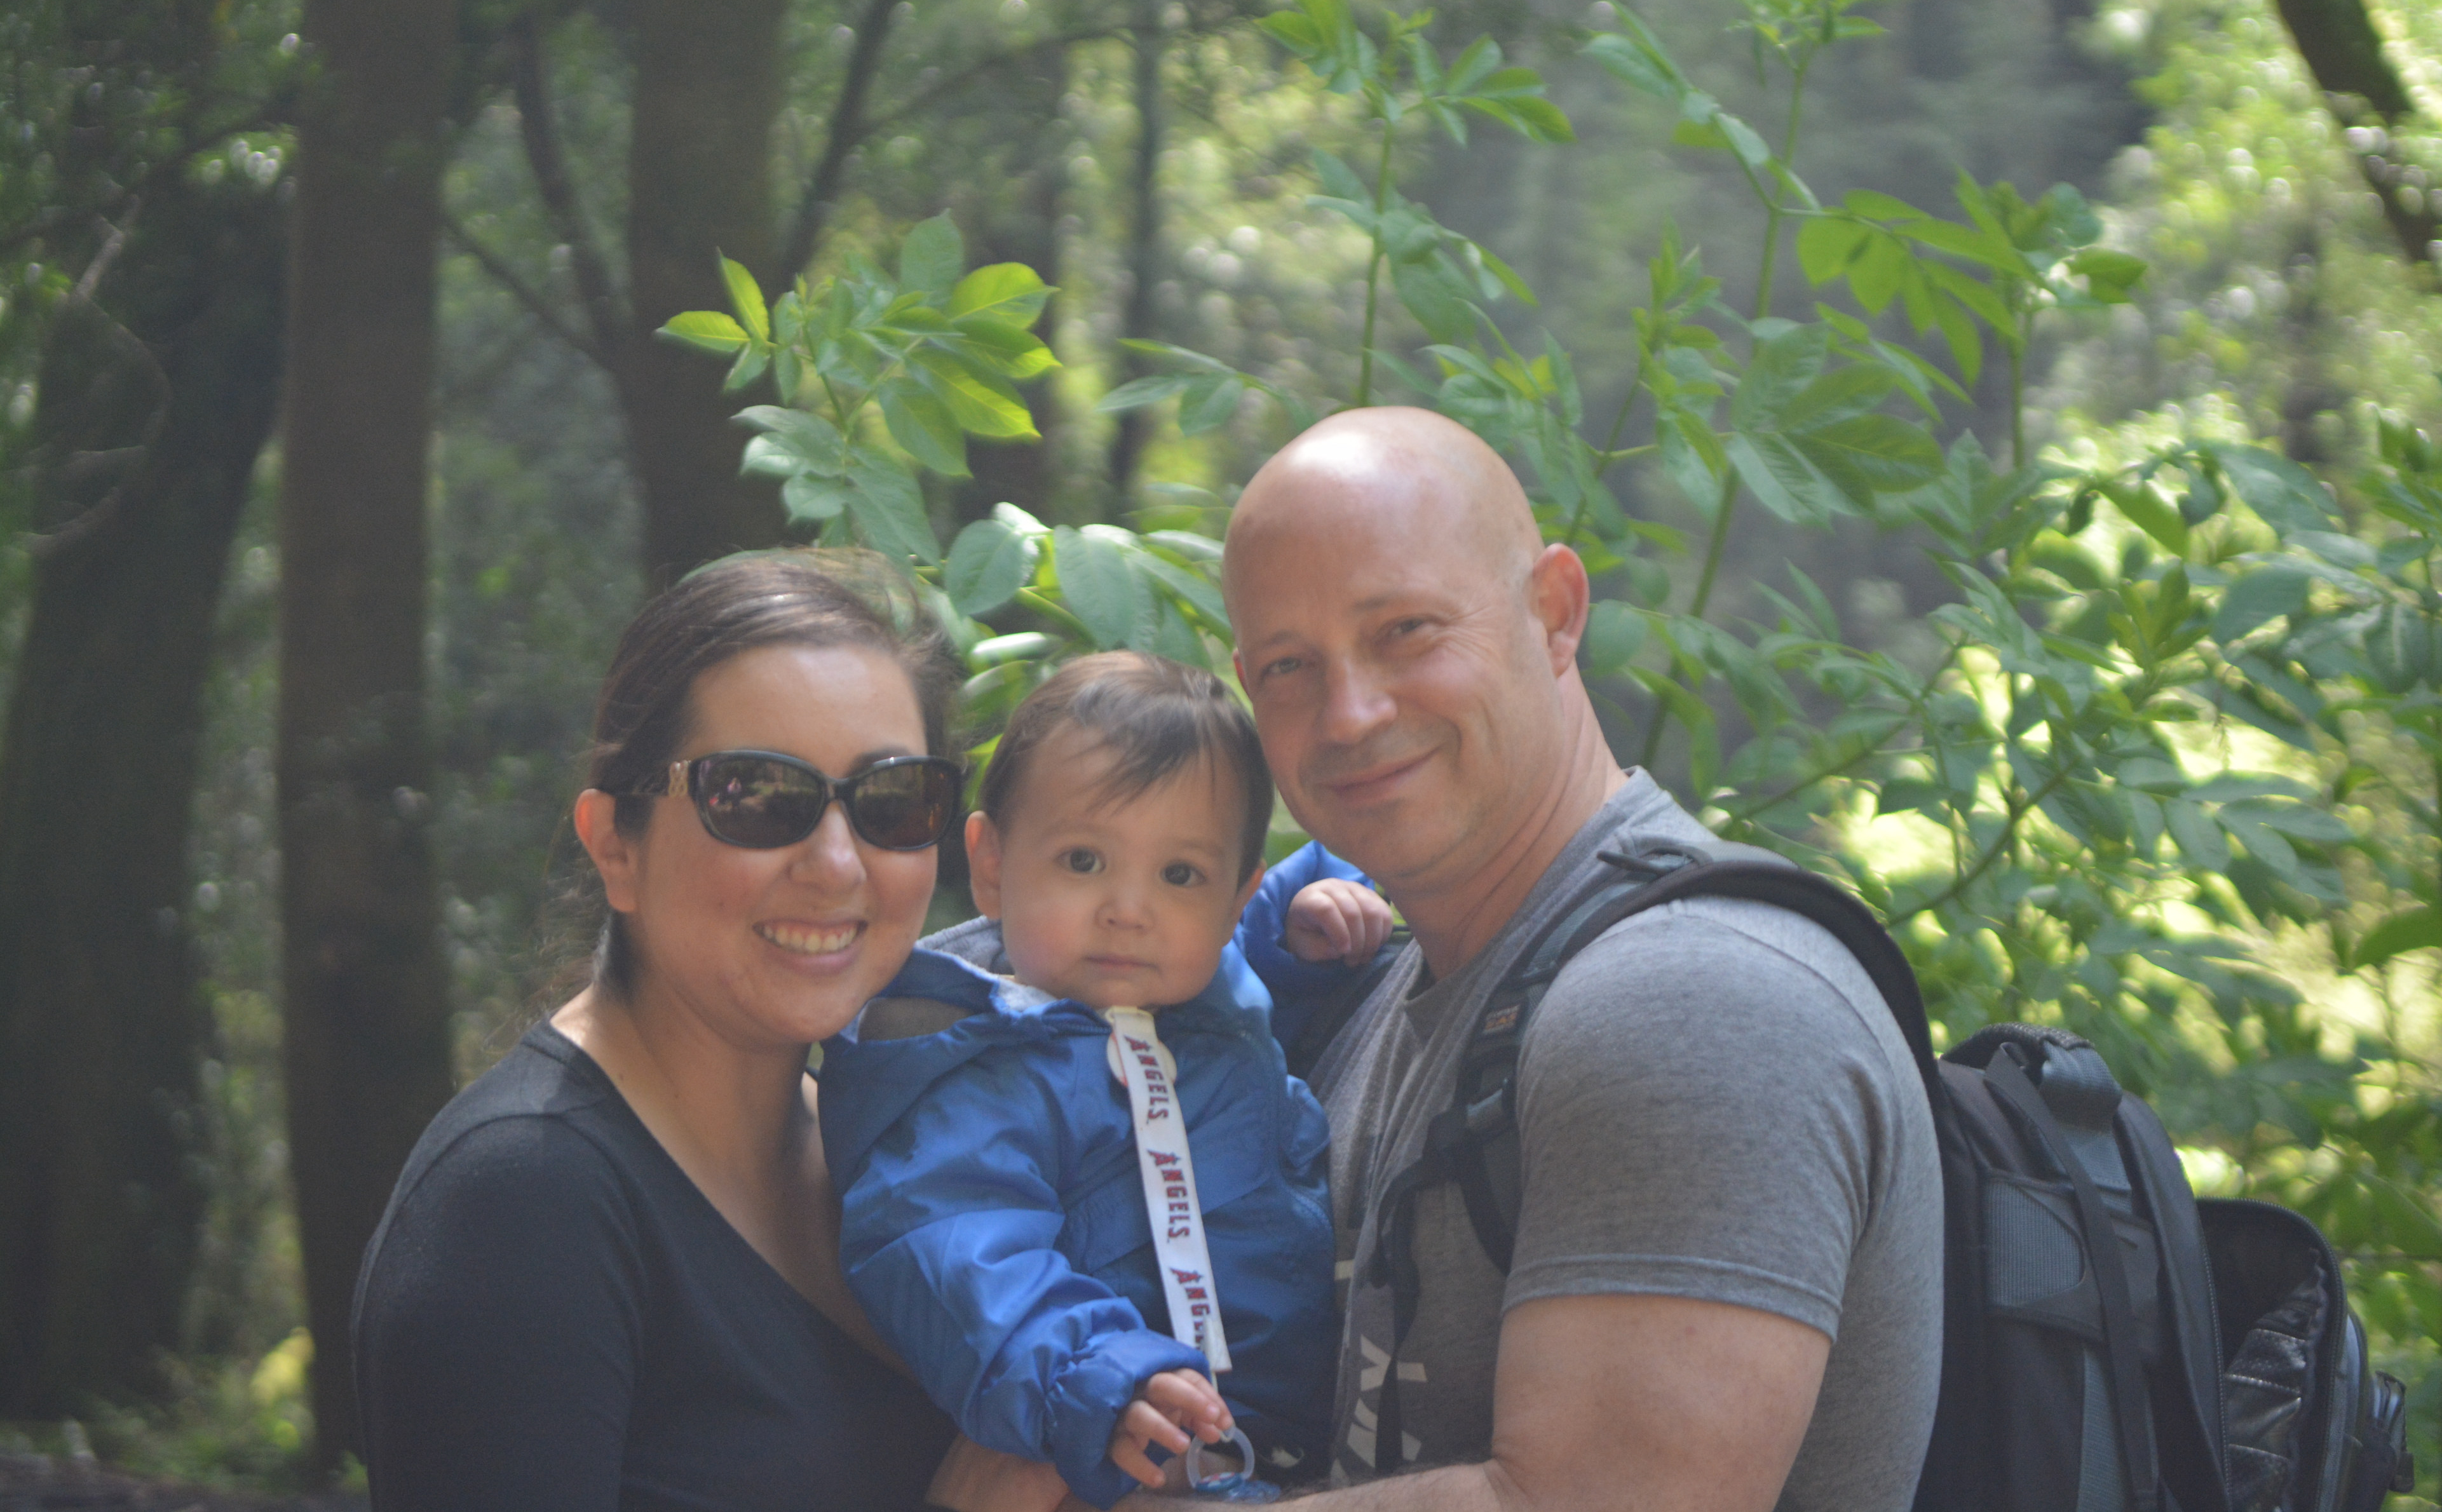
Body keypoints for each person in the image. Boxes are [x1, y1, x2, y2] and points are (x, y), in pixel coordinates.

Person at [1191, 406, 1947, 1512]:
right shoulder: (1384, 992)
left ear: (1554, 612)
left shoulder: (1692, 1002)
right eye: (1289, 667)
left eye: (1405, 630)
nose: (1347, 714)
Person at [352, 553, 1043, 1511]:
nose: (838, 864)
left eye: (893, 800)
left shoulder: (896, 1143)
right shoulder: (523, 1204)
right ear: (615, 845)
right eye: (757, 797)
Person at [821, 652, 1393, 1510]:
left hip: (1290, 1441)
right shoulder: (979, 1079)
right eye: (1084, 860)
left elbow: (1240, 976)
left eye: (1180, 875)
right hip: (1117, 1454)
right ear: (991, 864)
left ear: (1234, 898)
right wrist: (1095, 1378)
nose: (1130, 909)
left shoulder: (1200, 994)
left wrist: (1298, 938)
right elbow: (957, 1260)